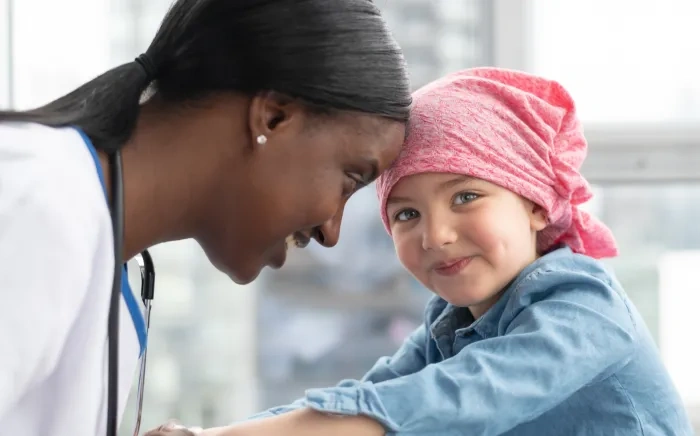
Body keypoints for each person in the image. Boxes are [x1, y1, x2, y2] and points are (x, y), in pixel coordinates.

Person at [172, 68, 694, 435]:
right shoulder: (450, 324)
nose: (436, 235)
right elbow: (369, 397)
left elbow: (456, 399)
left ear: (537, 203)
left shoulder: (585, 308)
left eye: (466, 196)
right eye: (406, 214)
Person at [0, 0, 412, 434]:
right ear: (274, 117)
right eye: (350, 179)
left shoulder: (97, 249)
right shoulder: (38, 201)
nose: (332, 232)